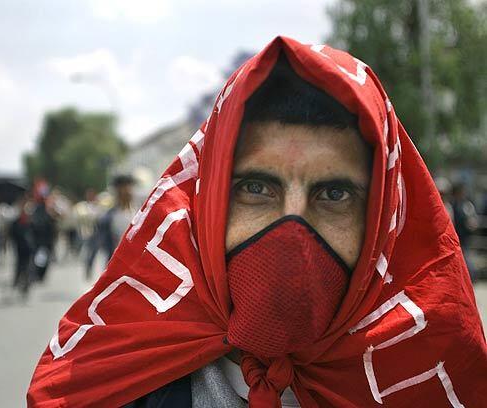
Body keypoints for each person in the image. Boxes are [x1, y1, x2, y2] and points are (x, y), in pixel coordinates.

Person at [28, 37, 486, 407]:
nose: (292, 233)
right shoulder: (125, 376)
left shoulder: (424, 374)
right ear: (208, 208)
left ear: (380, 224)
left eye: (333, 194)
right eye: (256, 188)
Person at [86, 175, 135, 273]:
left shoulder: (139, 213)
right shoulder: (108, 218)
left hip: (136, 263)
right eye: (123, 189)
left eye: (128, 189)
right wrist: (90, 263)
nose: (127, 192)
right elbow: (96, 241)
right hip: (116, 264)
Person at [450, 182, 479, 281]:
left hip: (464, 237)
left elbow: (473, 222)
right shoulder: (451, 205)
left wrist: (470, 224)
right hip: (454, 236)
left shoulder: (467, 206)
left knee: (466, 257)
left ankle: (471, 277)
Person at [9, 194, 34, 299]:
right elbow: (13, 232)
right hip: (20, 246)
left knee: (28, 266)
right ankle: (18, 281)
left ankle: (26, 284)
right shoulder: (16, 219)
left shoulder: (31, 219)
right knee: (20, 264)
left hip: (29, 247)